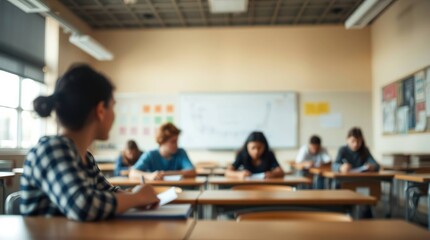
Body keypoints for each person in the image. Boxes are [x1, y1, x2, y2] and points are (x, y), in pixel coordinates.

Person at [20, 64, 159, 221]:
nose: (114, 115)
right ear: (101, 110)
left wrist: (135, 195)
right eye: (113, 106)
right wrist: (137, 198)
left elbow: (107, 191)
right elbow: (84, 206)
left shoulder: (85, 156)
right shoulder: (51, 150)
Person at [129, 123, 196, 180]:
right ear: (162, 141)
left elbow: (192, 171)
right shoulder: (150, 155)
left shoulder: (181, 153)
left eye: (177, 141)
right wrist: (149, 175)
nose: (176, 145)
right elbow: (132, 172)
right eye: (173, 142)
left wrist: (166, 174)